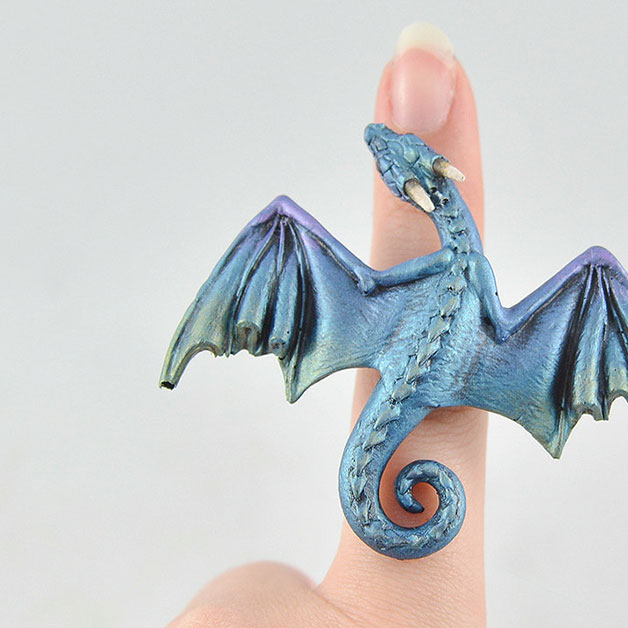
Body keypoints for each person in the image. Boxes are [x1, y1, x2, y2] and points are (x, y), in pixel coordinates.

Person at [168, 23, 488, 627]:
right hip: (413, 361)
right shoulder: (416, 279)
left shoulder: (436, 274)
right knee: (284, 225)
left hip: (444, 356)